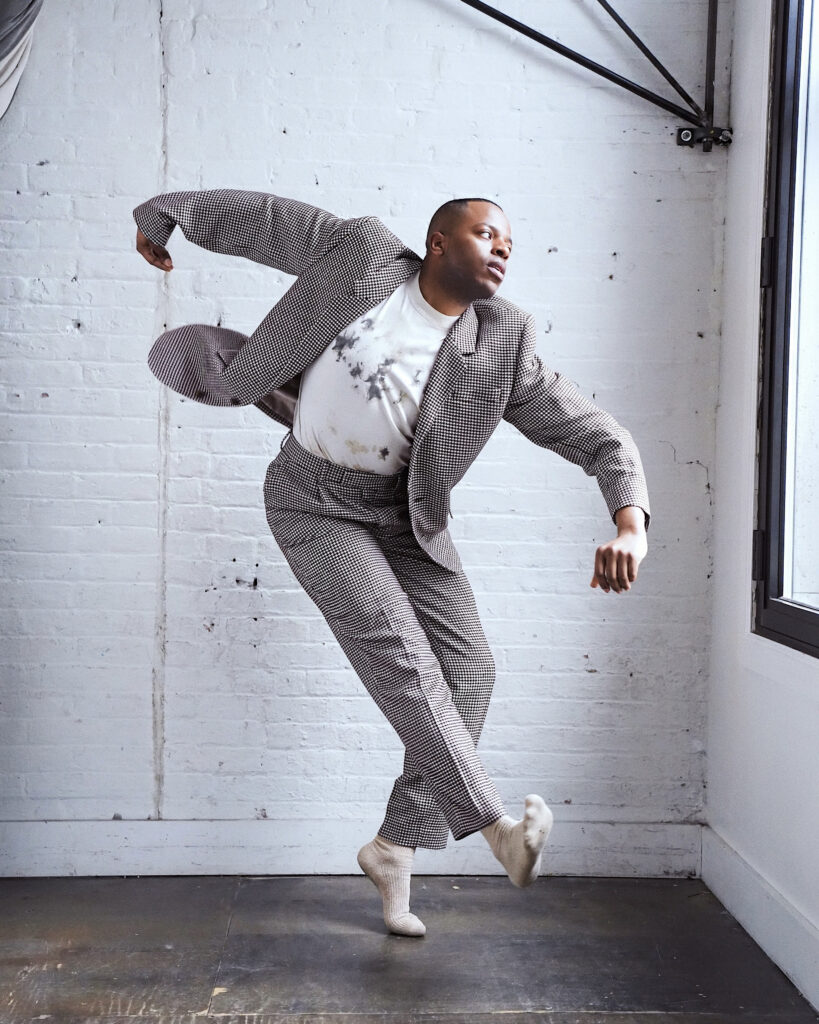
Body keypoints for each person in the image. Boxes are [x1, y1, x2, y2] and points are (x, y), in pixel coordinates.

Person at [134, 189, 649, 937]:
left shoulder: (501, 342)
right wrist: (167, 214)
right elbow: (263, 223)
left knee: (469, 668)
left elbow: (595, 433)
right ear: (438, 241)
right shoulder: (363, 255)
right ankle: (496, 828)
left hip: (403, 518)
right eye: (485, 233)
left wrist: (629, 522)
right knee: (400, 656)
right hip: (311, 501)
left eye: (511, 240)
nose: (503, 248)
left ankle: (393, 846)